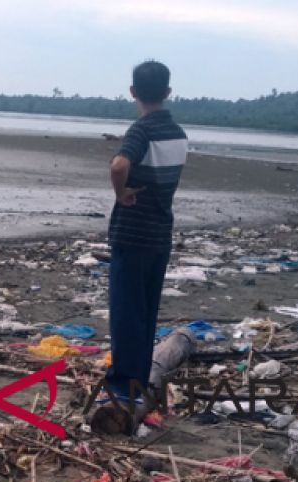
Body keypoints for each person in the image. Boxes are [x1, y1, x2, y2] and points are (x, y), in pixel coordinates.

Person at [105, 59, 187, 403]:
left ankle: (124, 387)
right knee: (146, 311)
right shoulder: (178, 134)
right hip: (159, 234)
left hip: (132, 232)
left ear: (133, 92)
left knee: (126, 312)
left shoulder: (142, 130)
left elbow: (119, 164)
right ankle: (138, 381)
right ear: (168, 92)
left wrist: (120, 192)